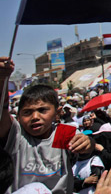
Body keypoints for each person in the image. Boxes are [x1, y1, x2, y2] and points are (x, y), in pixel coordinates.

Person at [0, 56, 95, 194]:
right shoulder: (16, 135)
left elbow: (88, 147)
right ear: (18, 116)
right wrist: (2, 80)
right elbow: (2, 111)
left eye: (42, 110)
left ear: (57, 113)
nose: (35, 117)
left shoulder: (61, 134)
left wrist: (88, 142)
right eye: (27, 112)